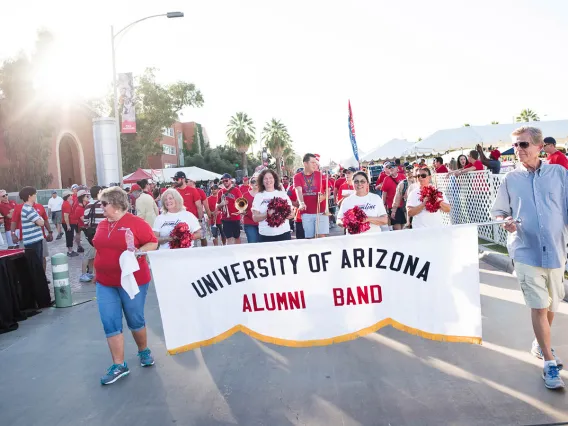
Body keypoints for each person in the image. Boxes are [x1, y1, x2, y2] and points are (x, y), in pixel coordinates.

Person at [492, 126, 567, 390]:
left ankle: (540, 344)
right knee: (538, 306)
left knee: (551, 306)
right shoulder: (509, 179)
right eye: (515, 145)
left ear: (539, 147)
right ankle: (548, 361)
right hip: (524, 249)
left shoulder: (559, 174)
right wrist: (505, 222)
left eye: (523, 144)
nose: (518, 150)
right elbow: (499, 211)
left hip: (556, 250)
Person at [92, 186, 158, 385]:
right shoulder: (102, 224)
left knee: (134, 318)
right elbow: (100, 249)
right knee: (110, 321)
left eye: (104, 204)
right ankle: (119, 365)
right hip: (105, 282)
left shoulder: (136, 223)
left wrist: (136, 252)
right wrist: (97, 272)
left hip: (132, 280)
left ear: (116, 204)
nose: (101, 208)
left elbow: (152, 243)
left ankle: (143, 351)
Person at [252, 169, 294, 242]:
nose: (268, 180)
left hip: (284, 233)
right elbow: (255, 218)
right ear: (262, 181)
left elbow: (292, 214)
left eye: (270, 178)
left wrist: (282, 214)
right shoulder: (259, 196)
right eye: (265, 178)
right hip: (265, 235)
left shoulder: (282, 194)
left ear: (275, 179)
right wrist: (267, 214)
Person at [294, 153, 329, 239]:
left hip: (321, 211)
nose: (315, 164)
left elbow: (328, 189)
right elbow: (298, 190)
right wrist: (301, 203)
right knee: (310, 239)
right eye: (312, 162)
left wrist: (324, 197)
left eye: (315, 162)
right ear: (305, 164)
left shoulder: (320, 175)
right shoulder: (297, 177)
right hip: (306, 213)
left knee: (321, 237)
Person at [17, 187, 46, 264]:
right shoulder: (28, 209)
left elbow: (40, 220)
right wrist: (40, 219)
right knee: (36, 264)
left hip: (36, 240)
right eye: (34, 194)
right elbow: (41, 223)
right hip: (33, 241)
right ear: (29, 196)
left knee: (38, 263)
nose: (36, 196)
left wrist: (40, 219)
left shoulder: (30, 208)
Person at [81, 186, 104, 283]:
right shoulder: (103, 205)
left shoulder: (88, 205)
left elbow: (85, 221)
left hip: (89, 233)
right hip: (101, 233)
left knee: (90, 254)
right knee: (98, 255)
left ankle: (89, 273)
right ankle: (95, 274)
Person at [216, 173, 243, 245]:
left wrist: (241, 214)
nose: (224, 182)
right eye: (223, 181)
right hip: (225, 218)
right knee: (228, 238)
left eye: (226, 180)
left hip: (235, 217)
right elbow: (217, 206)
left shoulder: (236, 190)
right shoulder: (220, 192)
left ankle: (238, 252)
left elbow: (242, 203)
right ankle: (230, 253)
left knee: (237, 237)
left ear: (230, 180)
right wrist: (222, 204)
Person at [381, 162, 405, 230]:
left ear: (397, 168)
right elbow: (384, 194)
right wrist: (383, 206)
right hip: (392, 207)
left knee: (404, 227)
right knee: (397, 228)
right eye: (389, 167)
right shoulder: (386, 179)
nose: (391, 168)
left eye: (392, 167)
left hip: (402, 206)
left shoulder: (402, 176)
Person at [187, 178, 210, 247]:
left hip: (199, 218)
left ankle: (205, 251)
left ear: (192, 182)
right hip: (189, 219)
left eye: (187, 181)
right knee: (191, 238)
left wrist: (209, 216)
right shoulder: (185, 190)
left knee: (202, 237)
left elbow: (206, 205)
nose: (185, 183)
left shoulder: (200, 191)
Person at [242, 176, 260, 243]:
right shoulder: (245, 195)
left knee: (263, 245)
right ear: (250, 183)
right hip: (249, 223)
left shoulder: (264, 194)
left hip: (262, 223)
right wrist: (242, 211)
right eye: (253, 181)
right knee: (253, 243)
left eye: (257, 181)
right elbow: (242, 208)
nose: (256, 183)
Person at [61, 191, 78, 257]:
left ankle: (70, 250)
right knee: (69, 237)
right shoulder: (66, 204)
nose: (72, 196)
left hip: (70, 223)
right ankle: (70, 251)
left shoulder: (67, 203)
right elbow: (66, 215)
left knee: (70, 236)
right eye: (70, 195)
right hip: (68, 223)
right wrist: (68, 225)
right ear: (68, 196)